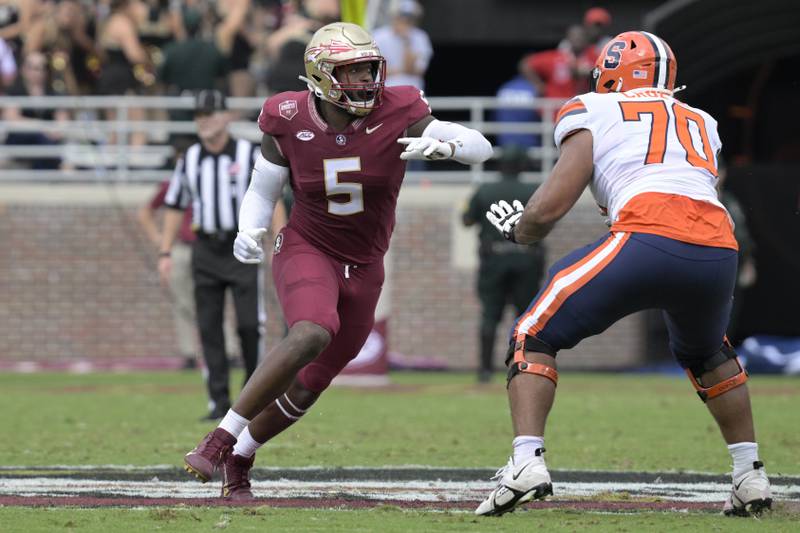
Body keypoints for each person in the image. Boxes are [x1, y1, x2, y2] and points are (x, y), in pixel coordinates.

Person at [181, 22, 492, 500]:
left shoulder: (400, 108)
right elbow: (262, 191)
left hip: (367, 265)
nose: (366, 80)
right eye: (352, 71)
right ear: (321, 76)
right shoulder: (285, 115)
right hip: (309, 246)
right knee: (311, 329)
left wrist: (447, 145)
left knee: (310, 385)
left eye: (369, 68)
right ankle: (220, 436)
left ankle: (241, 456)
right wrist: (250, 229)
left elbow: (481, 146)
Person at [476, 31, 772, 518]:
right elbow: (683, 180)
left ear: (612, 70)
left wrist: (521, 229)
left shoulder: (591, 106)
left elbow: (556, 199)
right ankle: (749, 475)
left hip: (649, 235)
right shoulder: (702, 120)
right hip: (718, 248)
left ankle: (526, 462)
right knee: (708, 353)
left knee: (533, 333)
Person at [159, 90, 273, 421]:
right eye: (199, 116)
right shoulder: (190, 159)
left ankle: (254, 398)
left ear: (225, 116)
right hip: (205, 248)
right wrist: (165, 251)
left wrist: (275, 240)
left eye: (210, 114)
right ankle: (218, 402)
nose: (204, 121)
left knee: (251, 325)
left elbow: (271, 196)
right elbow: (174, 205)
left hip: (242, 246)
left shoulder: (247, 152)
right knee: (209, 328)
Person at [462, 146, 546, 383]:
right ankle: (524, 366)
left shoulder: (485, 190)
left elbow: (467, 220)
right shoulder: (534, 191)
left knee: (490, 316)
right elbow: (547, 222)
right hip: (527, 260)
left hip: (493, 261)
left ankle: (485, 371)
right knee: (527, 318)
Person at [3, 51, 70, 169]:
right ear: (24, 70)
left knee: (47, 142)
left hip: (49, 140)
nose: (38, 72)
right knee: (41, 138)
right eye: (33, 68)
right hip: (21, 139)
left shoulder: (53, 93)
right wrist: (42, 127)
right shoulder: (15, 91)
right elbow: (12, 119)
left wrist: (55, 130)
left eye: (41, 68)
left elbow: (63, 121)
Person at [372, 0, 432, 90]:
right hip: (386, 89)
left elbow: (417, 70)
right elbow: (376, 70)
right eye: (401, 16)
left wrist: (407, 42)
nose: (404, 21)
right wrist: (401, 70)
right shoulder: (378, 35)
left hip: (414, 90)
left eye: (409, 18)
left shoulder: (421, 37)